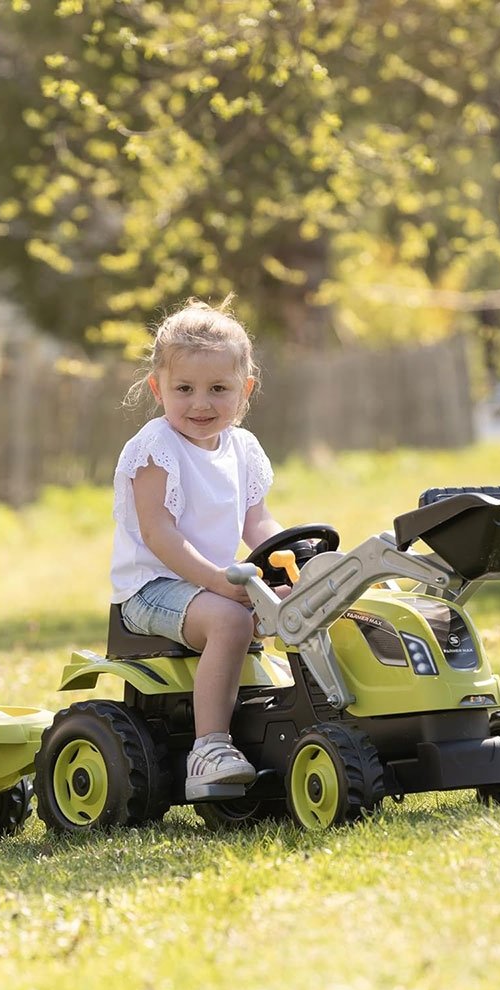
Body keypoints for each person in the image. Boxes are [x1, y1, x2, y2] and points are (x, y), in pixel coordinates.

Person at [111, 296, 283, 801]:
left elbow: (259, 520)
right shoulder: (155, 448)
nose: (200, 403)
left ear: (244, 390)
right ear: (157, 388)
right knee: (232, 620)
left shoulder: (242, 449)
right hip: (152, 588)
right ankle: (209, 748)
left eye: (218, 389)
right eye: (183, 388)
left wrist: (292, 558)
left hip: (214, 582)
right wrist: (221, 583)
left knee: (297, 608)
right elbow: (159, 534)